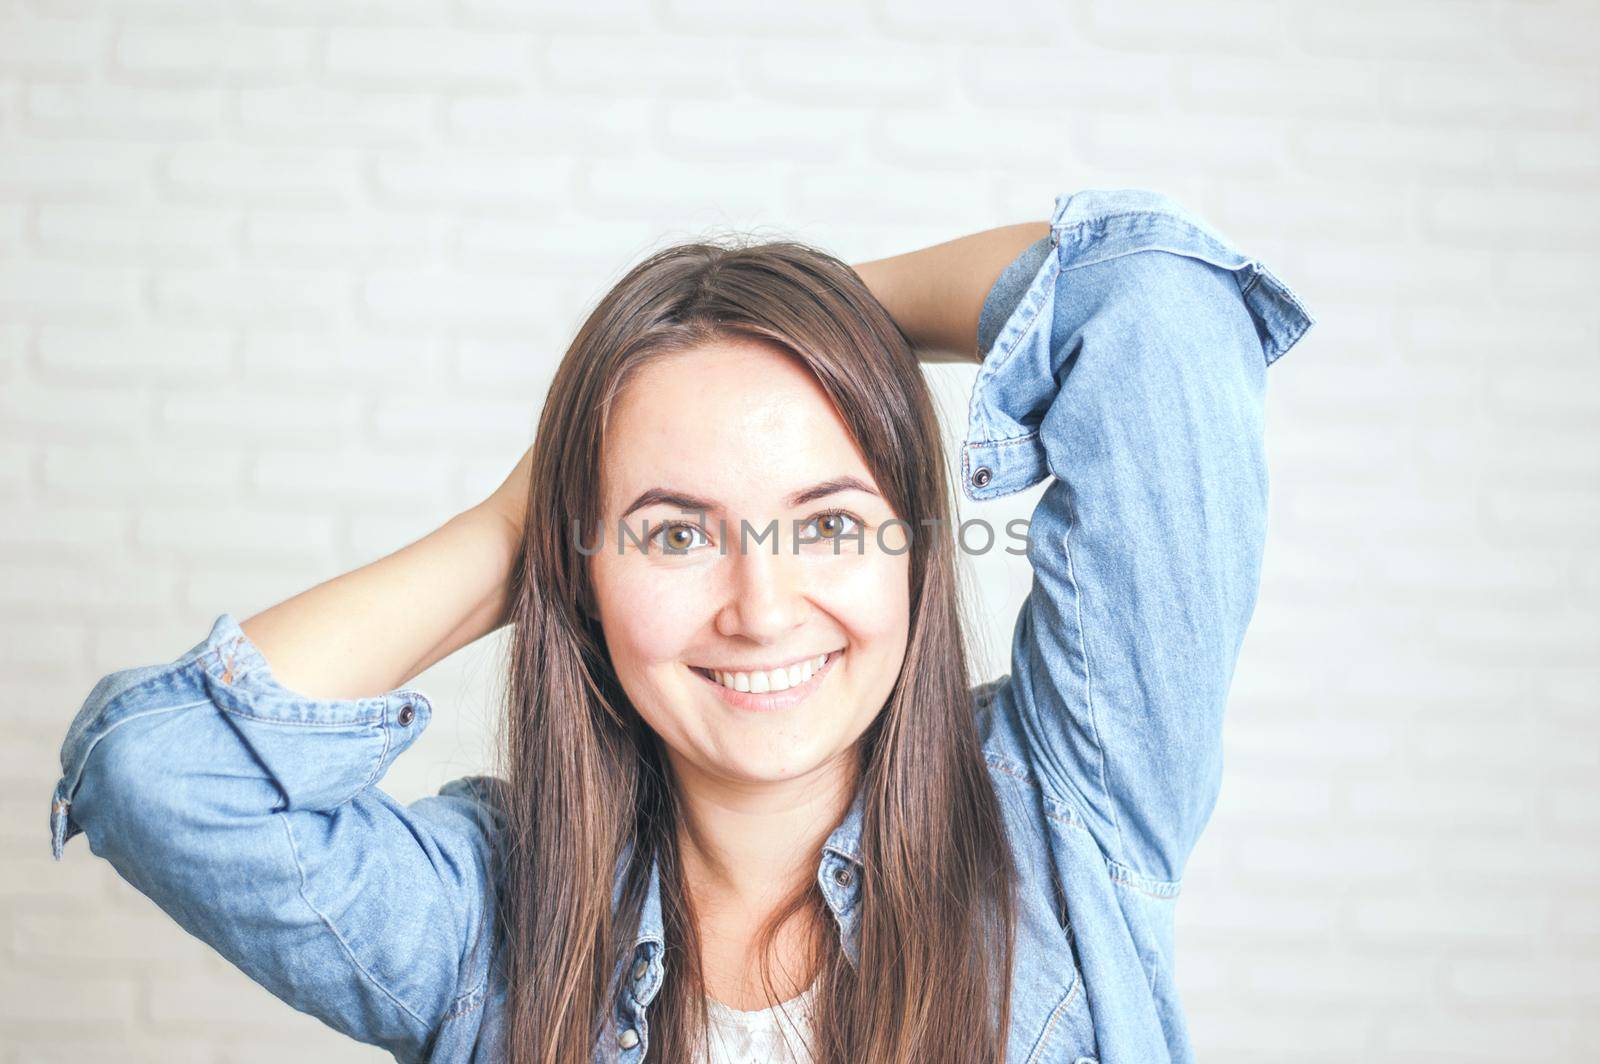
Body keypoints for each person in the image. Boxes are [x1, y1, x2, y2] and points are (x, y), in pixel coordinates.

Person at [48, 187, 1315, 1064]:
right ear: (585, 573)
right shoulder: (490, 916)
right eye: (671, 531)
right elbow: (160, 772)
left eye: (826, 524)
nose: (760, 607)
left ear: (917, 557)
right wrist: (519, 520)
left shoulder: (1065, 808)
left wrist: (810, 312)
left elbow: (1157, 303)